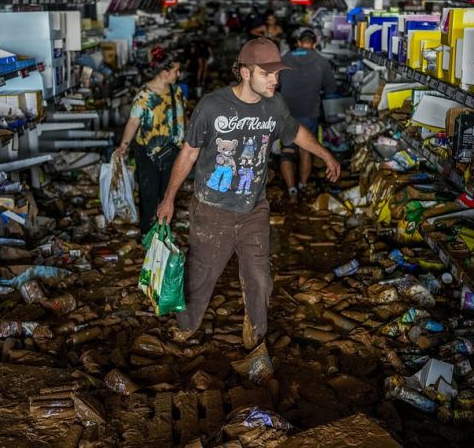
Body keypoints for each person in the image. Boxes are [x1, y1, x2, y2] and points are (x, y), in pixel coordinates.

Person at [155, 38, 341, 350]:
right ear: (244, 72)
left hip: (254, 207)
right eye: (266, 74)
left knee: (260, 280)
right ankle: (185, 328)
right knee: (201, 280)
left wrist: (326, 155)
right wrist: (169, 198)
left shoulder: (274, 105)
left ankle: (256, 338)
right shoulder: (212, 107)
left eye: (277, 74)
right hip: (212, 211)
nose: (274, 80)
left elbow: (295, 133)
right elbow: (188, 154)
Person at [116, 47, 185, 235]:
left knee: (168, 194)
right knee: (148, 194)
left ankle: (164, 234)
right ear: (164, 73)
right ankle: (147, 234)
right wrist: (124, 145)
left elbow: (180, 119)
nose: (178, 74)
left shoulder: (176, 91)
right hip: (148, 153)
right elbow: (133, 121)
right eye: (175, 71)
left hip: (172, 151)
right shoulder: (144, 95)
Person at [278, 29, 337, 202]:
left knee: (287, 150)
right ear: (315, 42)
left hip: (286, 111)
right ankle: (303, 185)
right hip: (310, 112)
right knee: (306, 150)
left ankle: (292, 190)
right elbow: (330, 89)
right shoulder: (322, 61)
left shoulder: (285, 59)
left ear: (298, 42)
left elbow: (275, 84)